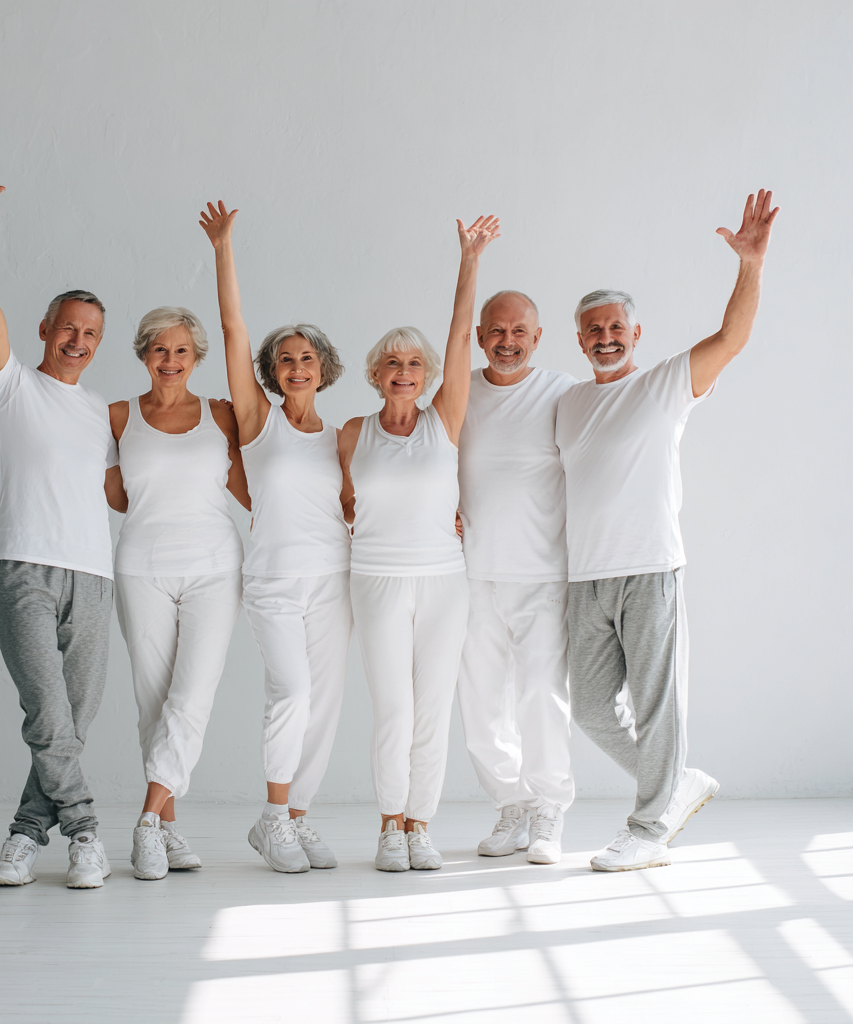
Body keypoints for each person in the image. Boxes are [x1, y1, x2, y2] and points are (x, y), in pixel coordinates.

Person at [556, 190, 780, 872]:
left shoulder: (661, 385)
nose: (605, 336)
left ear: (635, 333)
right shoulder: (567, 403)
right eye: (593, 329)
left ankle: (650, 829)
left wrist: (750, 265)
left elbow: (733, 339)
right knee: (591, 709)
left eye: (616, 327)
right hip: (585, 577)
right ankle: (675, 780)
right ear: (580, 337)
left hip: (650, 568)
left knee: (657, 708)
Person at [0, 158, 118, 889]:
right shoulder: (11, 387)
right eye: (68, 327)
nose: (78, 340)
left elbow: (133, 490)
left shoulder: (105, 415)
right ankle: (85, 831)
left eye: (91, 333)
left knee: (67, 728)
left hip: (95, 577)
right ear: (45, 328)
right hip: (23, 567)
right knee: (46, 713)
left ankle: (24, 835)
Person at [339, 216, 500, 872]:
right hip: (375, 579)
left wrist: (469, 259)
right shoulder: (351, 433)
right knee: (393, 709)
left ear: (427, 373)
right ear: (376, 374)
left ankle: (420, 823)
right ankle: (387, 826)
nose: (403, 372)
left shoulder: (445, 419)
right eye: (392, 364)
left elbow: (463, 334)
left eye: (414, 364)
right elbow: (329, 504)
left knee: (433, 705)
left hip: (443, 581)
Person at [200, 202, 353, 874]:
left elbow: (363, 504)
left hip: (334, 580)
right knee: (289, 692)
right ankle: (271, 815)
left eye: (307, 358)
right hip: (274, 580)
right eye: (285, 359)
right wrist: (223, 247)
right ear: (272, 371)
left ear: (325, 368)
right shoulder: (260, 421)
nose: (296, 367)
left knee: (323, 702)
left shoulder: (343, 435)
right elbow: (234, 330)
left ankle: (297, 816)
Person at [105, 307, 249, 881]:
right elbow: (118, 499)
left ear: (197, 357)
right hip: (142, 568)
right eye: (159, 350)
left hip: (215, 568)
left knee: (193, 695)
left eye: (182, 351)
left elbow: (251, 491)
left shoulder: (222, 415)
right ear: (143, 354)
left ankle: (144, 823)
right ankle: (167, 828)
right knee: (154, 701)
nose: (170, 361)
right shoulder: (118, 416)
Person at [456, 291, 577, 865]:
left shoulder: (562, 392)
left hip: (542, 573)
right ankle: (513, 804)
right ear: (480, 336)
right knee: (480, 703)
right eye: (496, 331)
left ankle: (550, 809)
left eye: (519, 331)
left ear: (537, 336)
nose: (507, 341)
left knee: (540, 696)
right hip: (471, 573)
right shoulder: (460, 391)